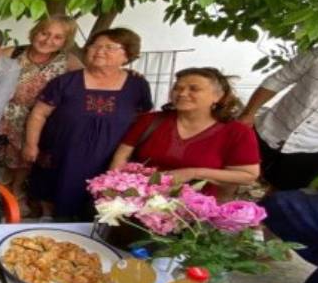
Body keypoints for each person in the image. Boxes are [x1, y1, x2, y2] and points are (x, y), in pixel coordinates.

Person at [23, 28, 153, 220]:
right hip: (62, 156)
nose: (99, 51)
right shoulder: (65, 82)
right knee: (56, 207)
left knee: (99, 210)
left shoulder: (137, 85)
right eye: (95, 45)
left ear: (127, 55)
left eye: (109, 47)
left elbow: (144, 120)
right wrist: (31, 144)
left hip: (110, 157)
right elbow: (39, 114)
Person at [111, 67, 259, 198]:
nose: (182, 93)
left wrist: (193, 173)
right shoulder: (150, 120)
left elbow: (248, 175)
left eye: (194, 89)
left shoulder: (237, 132)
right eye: (177, 88)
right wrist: (115, 189)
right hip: (137, 201)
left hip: (195, 212)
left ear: (218, 96)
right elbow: (121, 157)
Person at [238, 44, 318, 190]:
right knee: (235, 173)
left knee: (282, 193)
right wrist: (248, 113)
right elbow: (280, 78)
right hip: (271, 128)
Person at [0, 15, 82, 203]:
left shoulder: (68, 61)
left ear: (66, 41)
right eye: (44, 33)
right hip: (3, 116)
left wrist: (126, 73)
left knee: (26, 160)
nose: (48, 40)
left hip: (37, 120)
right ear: (35, 32)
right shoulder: (12, 53)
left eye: (58, 37)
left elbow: (92, 78)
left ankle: (17, 193)